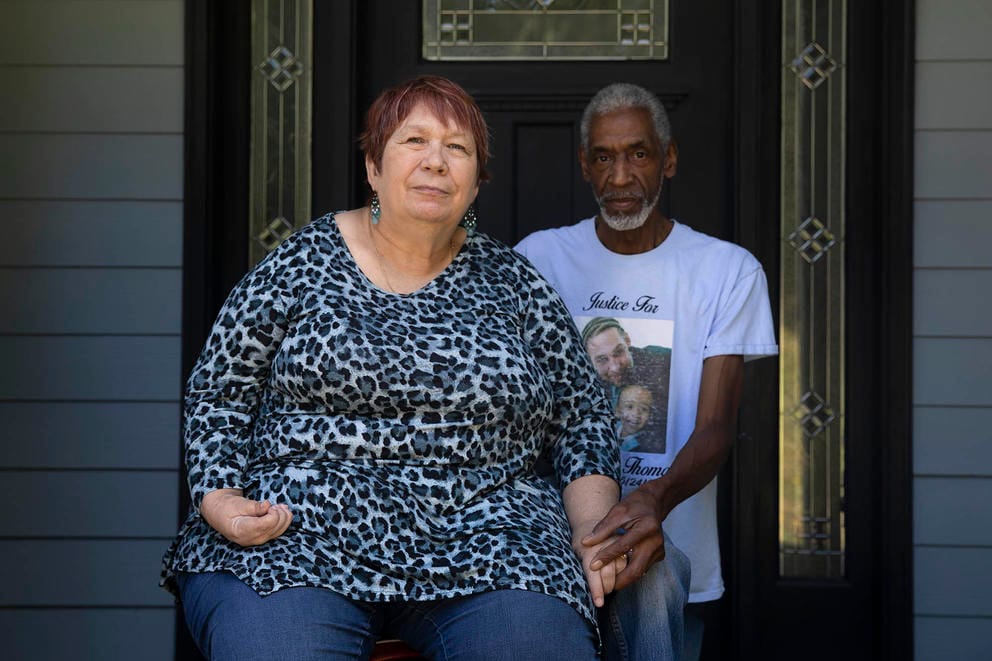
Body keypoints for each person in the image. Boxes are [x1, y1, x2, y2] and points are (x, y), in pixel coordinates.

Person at [161, 75, 627, 660]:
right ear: (373, 165)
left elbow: (582, 416)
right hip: (298, 534)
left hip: (491, 541)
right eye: (414, 141)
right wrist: (220, 499)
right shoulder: (299, 264)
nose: (436, 161)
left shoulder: (516, 284)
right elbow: (219, 393)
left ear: (477, 180)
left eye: (457, 148)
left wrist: (591, 533)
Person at [515, 82, 778, 661]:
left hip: (675, 554)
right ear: (585, 166)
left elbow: (714, 427)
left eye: (638, 153)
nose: (620, 176)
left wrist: (651, 501)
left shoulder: (725, 271)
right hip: (554, 550)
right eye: (604, 157)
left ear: (669, 159)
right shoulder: (539, 259)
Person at [614, 384, 656, 453]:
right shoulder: (611, 429)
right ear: (618, 411)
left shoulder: (645, 445)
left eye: (644, 409)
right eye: (629, 407)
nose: (636, 414)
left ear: (650, 416)